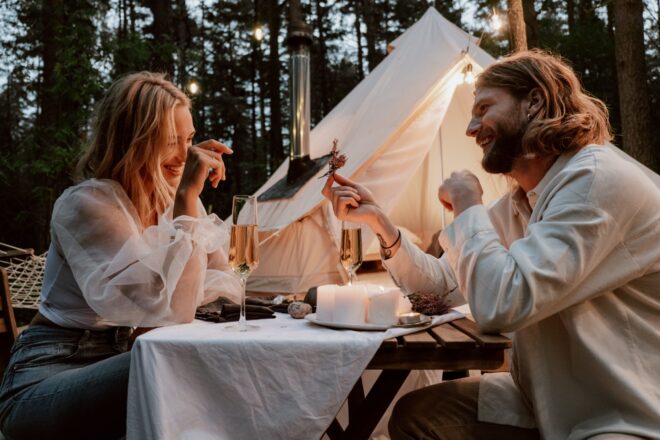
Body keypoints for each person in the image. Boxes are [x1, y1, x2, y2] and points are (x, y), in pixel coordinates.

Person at [323, 49, 660, 439]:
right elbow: (444, 288)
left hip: (624, 411)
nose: (470, 127)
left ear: (534, 101)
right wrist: (381, 224)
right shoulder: (522, 202)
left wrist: (468, 204)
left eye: (483, 108)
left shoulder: (595, 179)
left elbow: (503, 304)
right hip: (549, 400)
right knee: (419, 414)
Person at [0, 72, 242, 439]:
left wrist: (183, 207)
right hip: (44, 375)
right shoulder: (86, 204)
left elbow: (223, 283)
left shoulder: (170, 205)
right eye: (170, 142)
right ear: (136, 140)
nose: (184, 156)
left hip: (120, 360)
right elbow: (164, 307)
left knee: (208, 364)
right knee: (175, 368)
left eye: (190, 140)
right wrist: (187, 203)